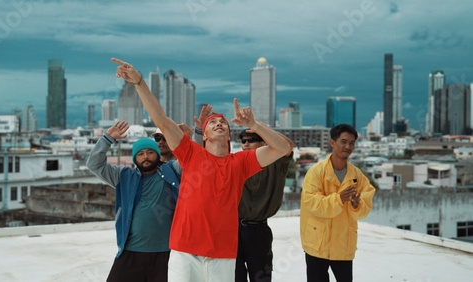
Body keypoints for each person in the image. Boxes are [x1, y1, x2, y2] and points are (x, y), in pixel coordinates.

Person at [112, 57, 293, 282]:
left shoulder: (241, 162)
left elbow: (283, 148)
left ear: (228, 134)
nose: (219, 123)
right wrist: (139, 82)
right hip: (184, 251)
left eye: (224, 123)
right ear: (204, 134)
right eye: (212, 123)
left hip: (223, 255)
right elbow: (162, 120)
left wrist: (254, 125)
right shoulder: (191, 153)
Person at [86, 120, 181, 282]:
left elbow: (194, 161)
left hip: (166, 253)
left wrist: (193, 135)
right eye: (140, 153)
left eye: (150, 152)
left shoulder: (172, 170)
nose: (146, 157)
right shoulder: (123, 176)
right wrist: (108, 138)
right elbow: (94, 165)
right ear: (135, 158)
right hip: (131, 251)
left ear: (157, 154)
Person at [300, 124, 376, 282]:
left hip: (343, 244)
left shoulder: (357, 176)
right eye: (344, 141)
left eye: (352, 143)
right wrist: (339, 199)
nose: (348, 146)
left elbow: (366, 202)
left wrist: (357, 204)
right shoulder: (316, 172)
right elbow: (312, 203)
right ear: (332, 143)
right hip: (317, 244)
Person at [235, 128, 294, 282]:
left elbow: (288, 146)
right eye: (243, 141)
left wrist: (257, 126)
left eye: (251, 140)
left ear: (263, 142)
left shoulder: (276, 163)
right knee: (235, 277)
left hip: (259, 231)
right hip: (233, 230)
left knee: (261, 278)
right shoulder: (236, 162)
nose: (246, 144)